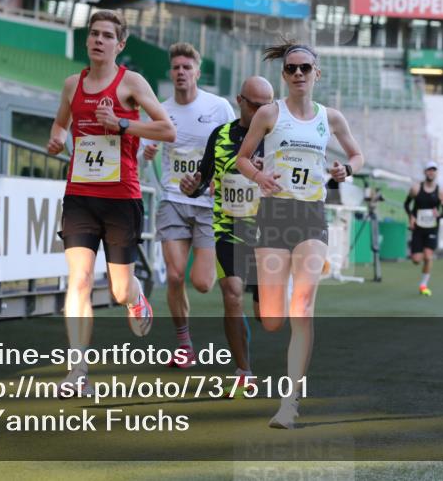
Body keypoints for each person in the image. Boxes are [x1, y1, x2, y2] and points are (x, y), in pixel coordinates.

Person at [235, 41, 364, 429]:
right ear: (283, 75)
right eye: (291, 69)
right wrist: (259, 175)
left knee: (303, 307)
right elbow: (242, 157)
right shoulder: (269, 114)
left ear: (317, 74)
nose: (298, 75)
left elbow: (357, 155)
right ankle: (278, 295)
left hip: (310, 215)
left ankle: (289, 403)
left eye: (305, 68)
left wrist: (346, 171)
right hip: (274, 215)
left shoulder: (331, 118)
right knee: (273, 318)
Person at [47, 10, 176, 395]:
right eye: (94, 34)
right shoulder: (73, 84)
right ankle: (78, 372)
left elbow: (166, 129)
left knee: (119, 290)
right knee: (80, 279)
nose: (98, 40)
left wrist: (121, 124)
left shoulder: (131, 83)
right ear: (87, 41)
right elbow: (60, 123)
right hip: (80, 195)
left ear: (119, 46)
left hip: (122, 197)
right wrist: (56, 138)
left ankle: (136, 299)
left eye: (107, 35)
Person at [143, 43, 236, 367]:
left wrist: (215, 180)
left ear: (197, 72)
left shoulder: (219, 107)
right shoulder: (160, 111)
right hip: (172, 200)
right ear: (171, 73)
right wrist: (147, 155)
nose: (181, 72)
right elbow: (140, 164)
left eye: (187, 67)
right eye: (176, 67)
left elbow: (235, 151)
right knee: (173, 276)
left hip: (209, 204)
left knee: (202, 282)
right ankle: (184, 345)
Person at [180, 76, 274, 393]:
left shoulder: (278, 138)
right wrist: (192, 187)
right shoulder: (219, 136)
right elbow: (202, 181)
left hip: (269, 234)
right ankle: (243, 369)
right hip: (229, 229)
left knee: (267, 315)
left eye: (269, 105)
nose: (264, 111)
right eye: (257, 105)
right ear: (240, 101)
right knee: (232, 295)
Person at [404, 161, 443, 296]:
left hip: (432, 229)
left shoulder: (441, 192)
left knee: (428, 257)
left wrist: (439, 214)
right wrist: (411, 216)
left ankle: (423, 285)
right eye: (429, 170)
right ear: (425, 172)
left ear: (436, 173)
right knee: (416, 260)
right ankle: (420, 255)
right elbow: (406, 204)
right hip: (418, 228)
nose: (431, 172)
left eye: (433, 170)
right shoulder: (416, 188)